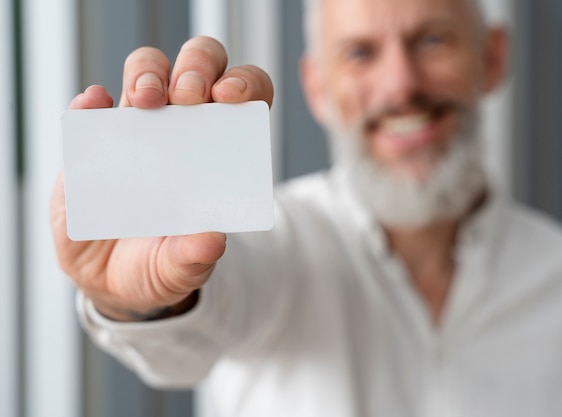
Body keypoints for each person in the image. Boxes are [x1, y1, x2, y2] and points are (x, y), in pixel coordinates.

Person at [51, 0, 562, 415]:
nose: (401, 85)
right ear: (318, 87)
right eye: (360, 52)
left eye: (432, 40)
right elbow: (203, 321)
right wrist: (144, 301)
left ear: (492, 58)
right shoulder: (277, 243)